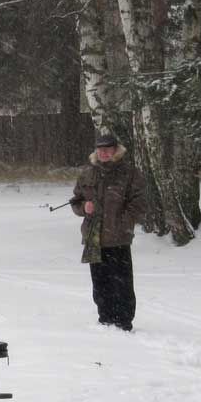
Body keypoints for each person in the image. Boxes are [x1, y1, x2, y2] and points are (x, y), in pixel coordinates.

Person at [71, 132, 147, 331]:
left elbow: (139, 203)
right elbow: (76, 201)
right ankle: (105, 320)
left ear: (116, 150)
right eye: (100, 149)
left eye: (108, 149)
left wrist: (124, 222)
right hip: (93, 237)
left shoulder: (129, 173)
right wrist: (83, 207)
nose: (103, 152)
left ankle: (123, 322)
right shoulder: (87, 172)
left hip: (118, 237)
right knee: (100, 284)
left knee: (121, 284)